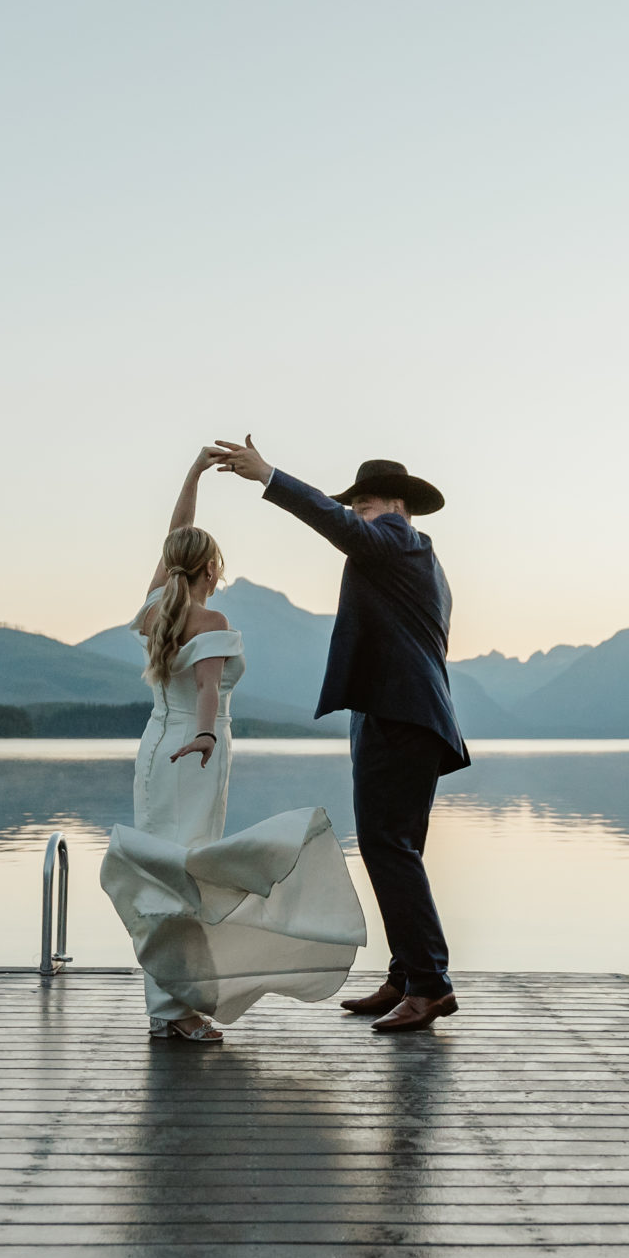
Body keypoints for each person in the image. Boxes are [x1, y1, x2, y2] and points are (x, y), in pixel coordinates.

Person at [98, 450, 366, 1043]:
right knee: (191, 874)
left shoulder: (154, 613)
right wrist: (201, 737)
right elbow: (209, 693)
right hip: (195, 754)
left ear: (170, 569)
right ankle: (180, 1007)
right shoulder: (211, 620)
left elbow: (175, 537)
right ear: (210, 569)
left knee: (162, 872)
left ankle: (166, 1008)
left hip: (153, 753)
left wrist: (192, 474)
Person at [209, 436, 467, 1033]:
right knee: (397, 849)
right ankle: (406, 975)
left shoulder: (398, 539)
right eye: (355, 504)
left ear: (398, 506)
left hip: (399, 717)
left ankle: (429, 985)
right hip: (408, 717)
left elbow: (344, 531)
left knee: (387, 848)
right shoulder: (417, 557)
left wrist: (268, 475)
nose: (357, 513)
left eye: (367, 502)